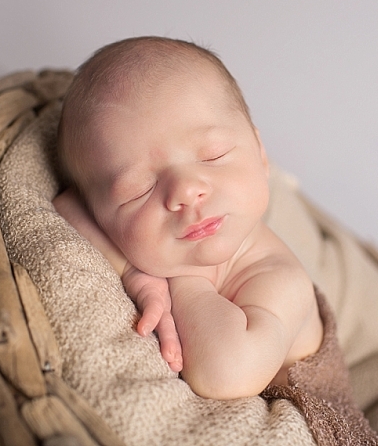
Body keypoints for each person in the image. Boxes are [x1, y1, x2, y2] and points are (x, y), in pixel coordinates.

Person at [52, 36, 324, 400]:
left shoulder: (280, 278)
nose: (185, 190)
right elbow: (67, 207)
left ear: (261, 154)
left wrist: (183, 278)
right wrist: (138, 275)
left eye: (213, 156)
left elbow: (227, 375)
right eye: (138, 190)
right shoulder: (102, 217)